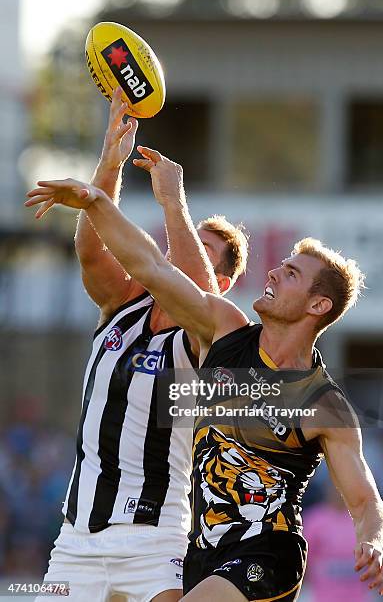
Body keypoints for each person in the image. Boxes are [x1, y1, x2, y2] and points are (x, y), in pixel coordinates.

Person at [25, 174, 383, 601]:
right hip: (201, 555)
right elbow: (154, 268)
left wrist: (375, 540)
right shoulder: (225, 332)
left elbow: (366, 502)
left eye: (290, 273)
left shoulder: (323, 403)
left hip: (267, 555)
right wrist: (94, 202)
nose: (272, 271)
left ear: (317, 305)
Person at [28, 88, 248, 602]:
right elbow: (91, 248)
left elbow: (192, 287)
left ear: (223, 283)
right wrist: (109, 161)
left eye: (194, 249)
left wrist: (174, 202)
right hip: (76, 538)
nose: (172, 253)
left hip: (156, 537)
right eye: (172, 242)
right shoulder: (122, 307)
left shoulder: (210, 334)